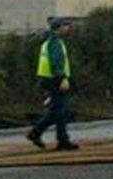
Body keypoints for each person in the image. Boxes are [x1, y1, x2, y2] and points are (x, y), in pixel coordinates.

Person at [27, 16, 78, 150]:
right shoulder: (54, 42)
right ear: (59, 27)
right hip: (55, 79)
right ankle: (62, 140)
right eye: (65, 25)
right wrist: (62, 78)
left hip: (48, 79)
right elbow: (57, 62)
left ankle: (36, 133)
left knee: (56, 111)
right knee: (60, 111)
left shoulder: (49, 41)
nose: (68, 28)